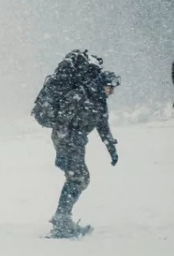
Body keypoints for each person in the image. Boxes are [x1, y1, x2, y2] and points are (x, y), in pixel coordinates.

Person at [41, 53, 119, 238]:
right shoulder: (79, 95)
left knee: (78, 178)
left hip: (77, 142)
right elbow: (61, 123)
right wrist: (61, 152)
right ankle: (61, 221)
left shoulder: (99, 101)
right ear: (102, 84)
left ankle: (62, 218)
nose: (112, 92)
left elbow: (103, 126)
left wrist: (111, 148)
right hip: (67, 141)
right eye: (110, 88)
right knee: (79, 178)